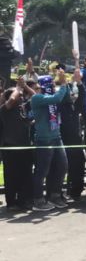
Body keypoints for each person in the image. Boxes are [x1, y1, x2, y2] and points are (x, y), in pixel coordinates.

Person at [30, 70, 71, 211]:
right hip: (43, 140)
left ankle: (55, 195)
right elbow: (57, 98)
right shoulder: (37, 98)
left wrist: (66, 86)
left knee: (62, 166)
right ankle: (38, 200)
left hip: (56, 138)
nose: (54, 87)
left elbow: (62, 97)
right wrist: (64, 83)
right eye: (52, 85)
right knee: (42, 171)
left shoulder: (50, 97)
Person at [1, 77, 35, 211]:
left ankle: (23, 200)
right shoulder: (5, 109)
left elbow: (36, 96)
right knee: (11, 176)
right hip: (11, 147)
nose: (21, 98)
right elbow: (12, 100)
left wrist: (24, 86)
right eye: (20, 96)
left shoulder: (22, 108)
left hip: (25, 146)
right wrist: (18, 88)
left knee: (26, 174)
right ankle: (11, 202)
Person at [58, 65, 86, 201]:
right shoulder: (59, 103)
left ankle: (75, 190)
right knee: (60, 167)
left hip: (75, 140)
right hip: (61, 140)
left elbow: (81, 96)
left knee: (78, 164)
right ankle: (57, 193)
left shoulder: (75, 107)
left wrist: (79, 82)